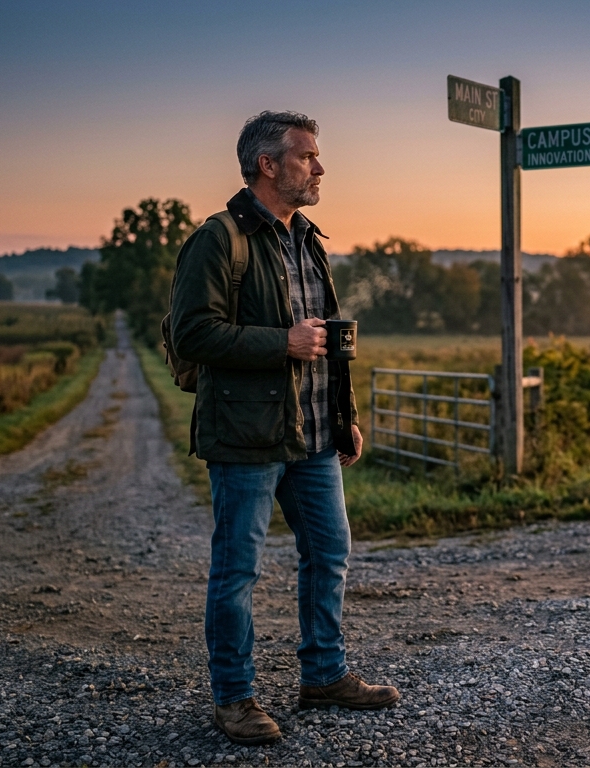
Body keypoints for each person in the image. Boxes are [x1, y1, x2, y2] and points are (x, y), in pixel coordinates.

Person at [169, 111, 399, 746]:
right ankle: (234, 699)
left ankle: (324, 676)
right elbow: (191, 332)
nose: (318, 167)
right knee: (237, 570)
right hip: (246, 435)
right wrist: (282, 342)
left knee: (329, 553)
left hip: (315, 434)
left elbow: (326, 341)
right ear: (267, 165)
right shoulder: (218, 239)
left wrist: (344, 417)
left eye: (316, 156)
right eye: (306, 156)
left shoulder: (309, 238)